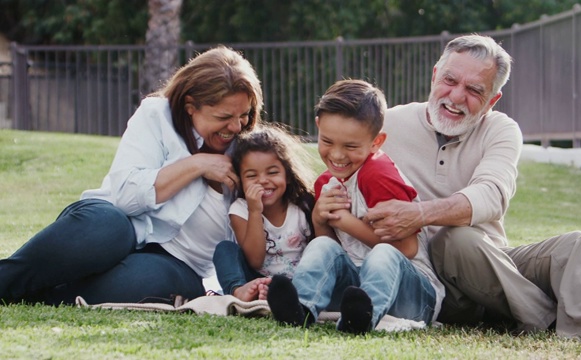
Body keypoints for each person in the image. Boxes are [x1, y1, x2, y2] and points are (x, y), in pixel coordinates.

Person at [357, 33, 581, 344]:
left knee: (576, 245)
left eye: (474, 90)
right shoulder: (388, 125)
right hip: (428, 280)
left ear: (492, 100)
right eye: (450, 80)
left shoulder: (501, 130)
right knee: (454, 239)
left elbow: (492, 194)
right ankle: (550, 319)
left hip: (491, 265)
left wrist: (420, 213)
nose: (456, 97)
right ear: (435, 74)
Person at [0, 45, 264, 305]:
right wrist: (197, 165)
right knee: (107, 228)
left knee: (157, 279)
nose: (236, 126)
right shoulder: (156, 115)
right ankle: (7, 279)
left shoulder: (249, 153)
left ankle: (39, 295)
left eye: (244, 115)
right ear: (190, 106)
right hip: (116, 225)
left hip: (174, 263)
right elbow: (126, 195)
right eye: (224, 116)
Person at [267, 79, 444, 334]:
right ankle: (301, 308)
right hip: (355, 294)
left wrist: (344, 221)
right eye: (327, 141)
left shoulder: (377, 174)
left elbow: (406, 248)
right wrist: (319, 220)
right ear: (318, 127)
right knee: (321, 245)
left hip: (412, 294)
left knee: (382, 254)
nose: (337, 155)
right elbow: (336, 254)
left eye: (350, 146)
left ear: (376, 142)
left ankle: (363, 320)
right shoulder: (326, 183)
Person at [213, 124, 316, 302]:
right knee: (224, 250)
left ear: (288, 175)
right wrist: (254, 211)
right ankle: (239, 292)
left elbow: (319, 250)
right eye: (252, 176)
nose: (262, 181)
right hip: (255, 280)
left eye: (272, 172)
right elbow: (255, 261)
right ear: (241, 180)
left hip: (298, 283)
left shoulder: (301, 206)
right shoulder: (240, 209)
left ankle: (287, 297)